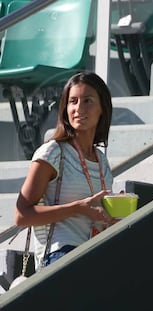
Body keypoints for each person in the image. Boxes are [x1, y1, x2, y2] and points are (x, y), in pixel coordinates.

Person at [15, 71, 115, 270]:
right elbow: (21, 215)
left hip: (96, 252)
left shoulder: (102, 160)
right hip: (61, 255)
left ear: (102, 108)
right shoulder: (53, 152)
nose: (79, 108)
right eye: (73, 101)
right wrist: (77, 208)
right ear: (65, 108)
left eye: (87, 101)